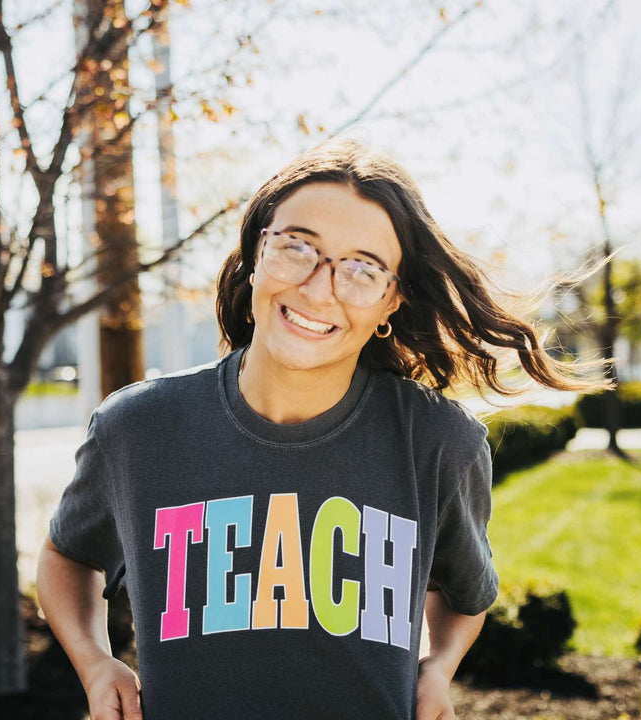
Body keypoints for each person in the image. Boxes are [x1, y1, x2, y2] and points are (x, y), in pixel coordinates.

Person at [36, 138, 606, 720]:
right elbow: (67, 555)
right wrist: (95, 663)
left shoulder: (439, 442)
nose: (318, 287)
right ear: (255, 256)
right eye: (296, 247)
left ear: (391, 301)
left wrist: (437, 668)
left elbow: (464, 595)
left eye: (363, 269)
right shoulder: (137, 428)